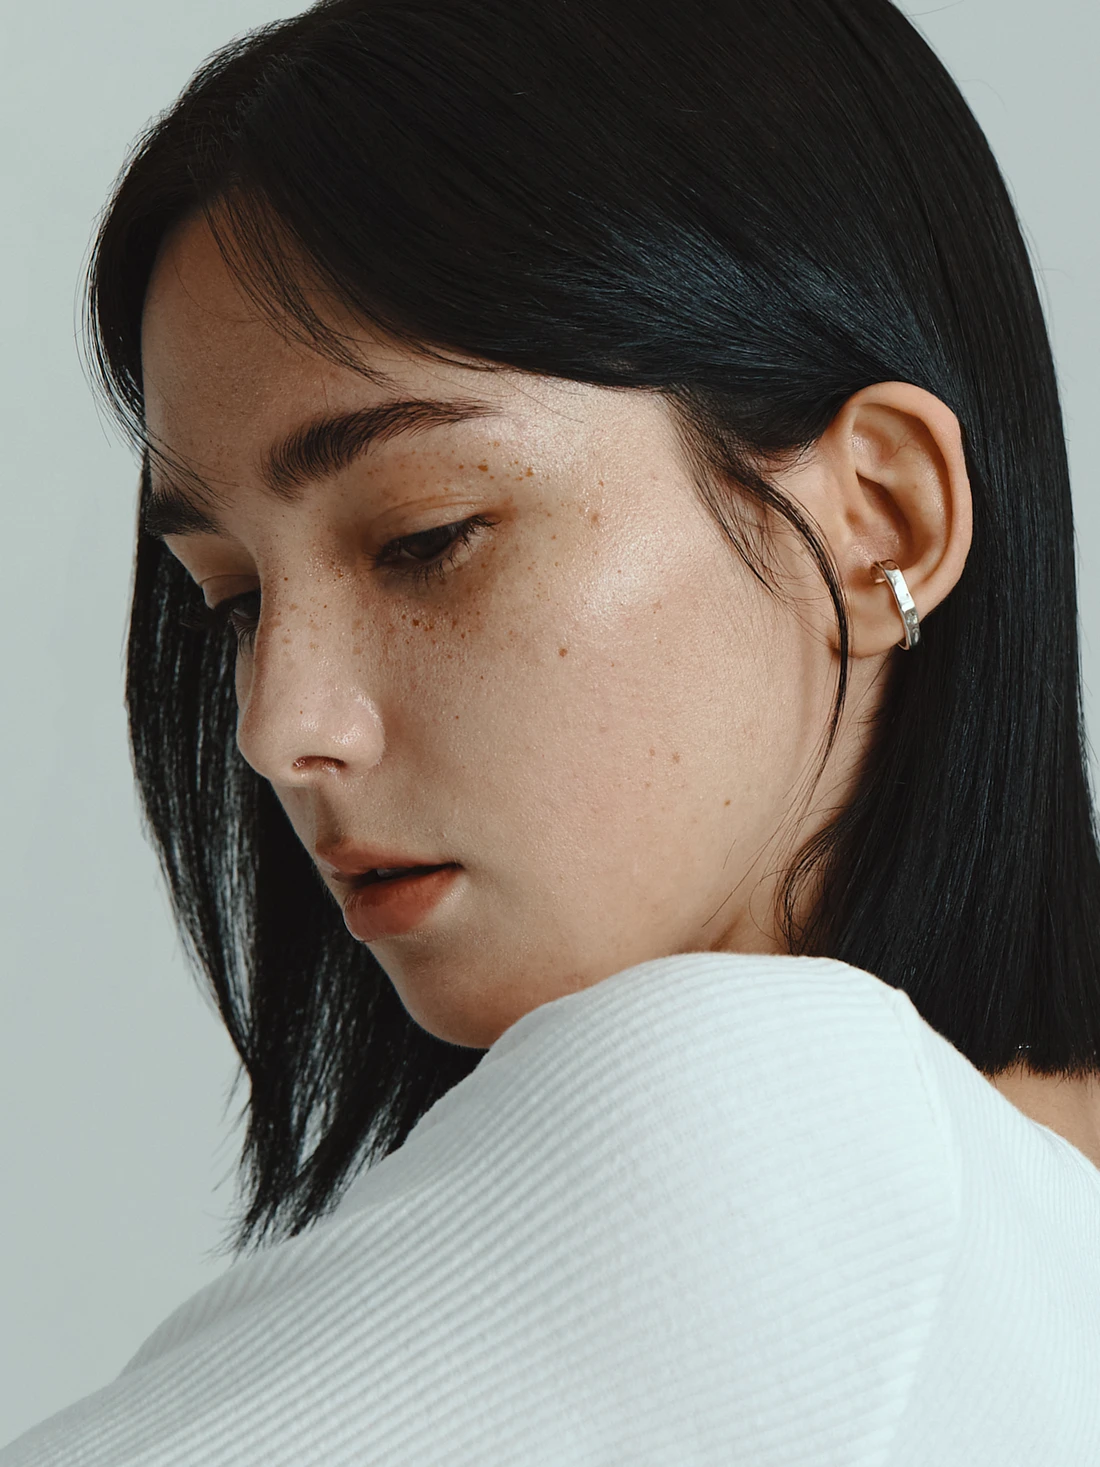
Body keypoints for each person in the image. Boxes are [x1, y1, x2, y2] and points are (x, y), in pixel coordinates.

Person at [5, 0, 1099, 1460]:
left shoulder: (766, 1123)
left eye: (427, 537)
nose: (277, 726)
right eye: (232, 600)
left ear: (880, 518)